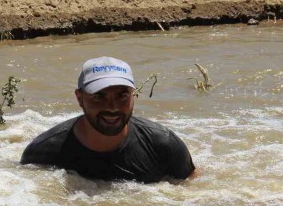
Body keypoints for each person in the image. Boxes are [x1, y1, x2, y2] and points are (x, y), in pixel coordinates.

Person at [21, 56, 195, 183]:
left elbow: (193, 193)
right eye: (99, 97)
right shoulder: (43, 152)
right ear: (79, 98)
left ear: (133, 96)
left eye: (122, 96)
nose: (112, 107)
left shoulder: (164, 145)